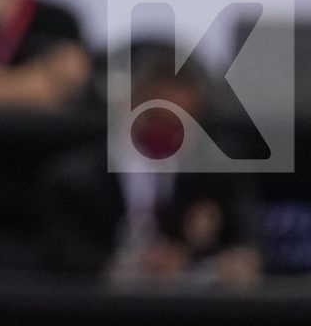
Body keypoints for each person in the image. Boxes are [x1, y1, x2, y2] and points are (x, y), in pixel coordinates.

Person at [40, 47, 262, 287]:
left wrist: (237, 262)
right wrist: (130, 266)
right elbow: (62, 256)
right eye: (157, 119)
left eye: (180, 124)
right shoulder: (75, 178)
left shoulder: (218, 172)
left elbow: (248, 239)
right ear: (133, 103)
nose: (167, 133)